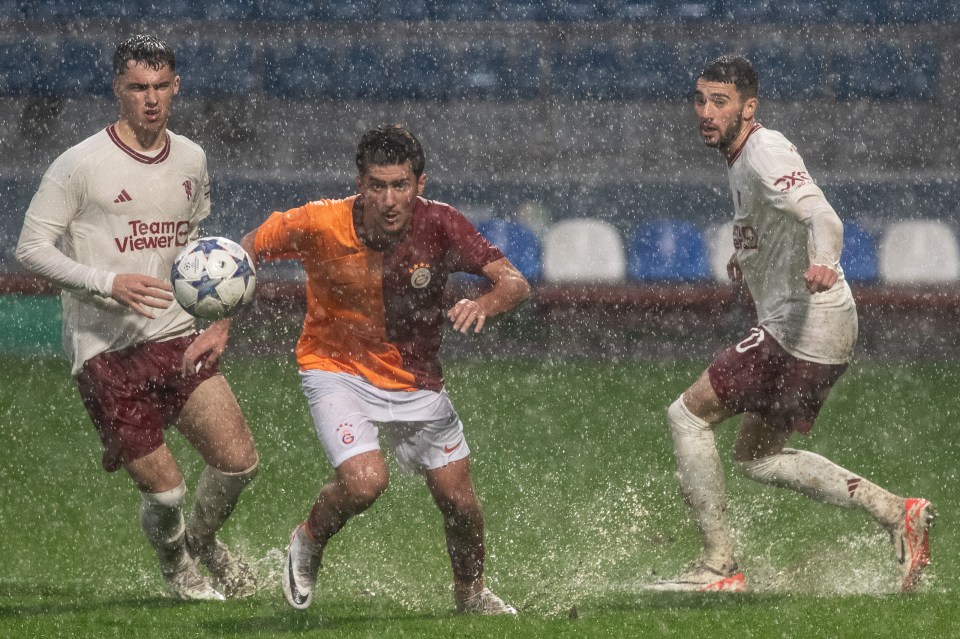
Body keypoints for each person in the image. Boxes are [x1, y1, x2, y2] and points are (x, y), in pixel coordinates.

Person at [648, 55, 934, 593]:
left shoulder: (764, 151)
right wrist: (749, 255)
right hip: (817, 327)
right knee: (756, 456)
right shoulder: (742, 155)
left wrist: (825, 259)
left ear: (748, 107)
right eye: (700, 99)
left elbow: (823, 215)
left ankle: (718, 566)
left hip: (803, 324)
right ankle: (898, 513)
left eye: (720, 101)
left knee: (687, 416)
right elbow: (772, 220)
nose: (706, 112)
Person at [239, 124, 530, 614]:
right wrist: (220, 324)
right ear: (360, 183)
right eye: (378, 185)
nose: (389, 199)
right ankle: (308, 541)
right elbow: (247, 248)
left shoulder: (442, 225)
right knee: (365, 482)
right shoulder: (320, 222)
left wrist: (486, 303)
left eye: (400, 185)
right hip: (334, 367)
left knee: (460, 504)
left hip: (415, 380)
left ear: (420, 184)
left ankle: (471, 596)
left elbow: (515, 283)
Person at [15, 35, 259, 601]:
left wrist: (214, 314)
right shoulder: (78, 165)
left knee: (239, 463)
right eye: (137, 87)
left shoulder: (192, 157)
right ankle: (178, 570)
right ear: (118, 90)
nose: (151, 99)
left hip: (177, 337)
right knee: (167, 493)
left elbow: (194, 242)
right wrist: (106, 281)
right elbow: (31, 247)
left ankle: (202, 542)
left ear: (176, 87)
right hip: (104, 351)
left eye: (160, 87)